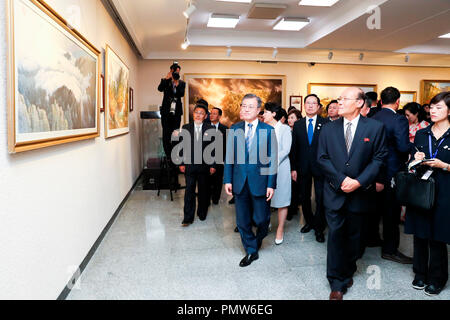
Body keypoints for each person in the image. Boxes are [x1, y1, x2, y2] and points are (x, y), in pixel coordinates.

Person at [317, 87, 387, 300]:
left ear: (359, 103)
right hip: (334, 192)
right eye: (339, 99)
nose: (339, 102)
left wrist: (359, 182)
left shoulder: (375, 128)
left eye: (344, 99)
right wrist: (341, 180)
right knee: (336, 235)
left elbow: (379, 158)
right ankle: (336, 282)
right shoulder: (329, 128)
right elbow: (322, 158)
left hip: (360, 193)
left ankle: (347, 270)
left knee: (355, 238)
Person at [224, 94, 277, 267]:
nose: (245, 109)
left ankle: (257, 240)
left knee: (262, 219)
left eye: (250, 106)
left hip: (260, 182)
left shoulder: (268, 131)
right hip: (239, 181)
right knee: (242, 221)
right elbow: (229, 157)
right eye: (243, 106)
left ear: (258, 110)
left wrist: (271, 184)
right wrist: (227, 180)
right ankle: (251, 250)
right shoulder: (235, 129)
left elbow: (272, 159)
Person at [405, 91, 450, 296]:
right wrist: (416, 158)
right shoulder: (423, 133)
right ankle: (420, 273)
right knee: (420, 233)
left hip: (445, 190)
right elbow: (411, 163)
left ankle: (437, 278)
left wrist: (445, 165)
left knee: (438, 236)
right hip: (422, 190)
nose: (433, 111)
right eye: (431, 107)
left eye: (438, 107)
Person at [372, 87, 413, 264]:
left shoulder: (372, 118)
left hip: (373, 171)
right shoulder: (399, 120)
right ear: (398, 102)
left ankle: (372, 239)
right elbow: (403, 147)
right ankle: (389, 250)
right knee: (391, 213)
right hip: (390, 172)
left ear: (381, 101)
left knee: (374, 209)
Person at [290, 94, 329, 243]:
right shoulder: (298, 124)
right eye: (308, 103)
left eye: (314, 103)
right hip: (302, 167)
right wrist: (293, 168)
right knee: (304, 197)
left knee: (320, 198)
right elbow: (294, 148)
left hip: (321, 168)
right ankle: (309, 222)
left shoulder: (326, 124)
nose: (310, 105)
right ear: (304, 106)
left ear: (318, 107)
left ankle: (319, 228)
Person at [176, 104, 216, 226]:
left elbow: (214, 148)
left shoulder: (211, 128)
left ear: (205, 116)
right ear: (193, 114)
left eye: (201, 113)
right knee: (189, 191)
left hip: (204, 166)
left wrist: (213, 165)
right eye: (196, 112)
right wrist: (181, 162)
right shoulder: (186, 127)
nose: (198, 115)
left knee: (204, 191)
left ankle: (202, 213)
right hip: (189, 165)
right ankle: (188, 217)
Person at [263, 103, 292, 245]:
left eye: (266, 112)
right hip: (264, 169)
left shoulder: (285, 129)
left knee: (282, 200)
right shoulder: (263, 129)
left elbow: (286, 150)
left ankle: (280, 229)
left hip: (281, 168)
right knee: (265, 198)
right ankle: (266, 223)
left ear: (274, 114)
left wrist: (271, 160)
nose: (263, 115)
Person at [158, 63, 186, 159]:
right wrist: (167, 78)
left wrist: (177, 84)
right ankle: (168, 156)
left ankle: (175, 155)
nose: (176, 73)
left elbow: (181, 94)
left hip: (176, 113)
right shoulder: (165, 81)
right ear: (171, 71)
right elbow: (159, 89)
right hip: (166, 112)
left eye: (178, 72)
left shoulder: (182, 83)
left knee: (175, 134)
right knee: (166, 134)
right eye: (175, 71)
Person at [208, 107, 228, 205]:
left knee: (218, 181)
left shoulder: (225, 129)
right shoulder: (205, 127)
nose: (211, 115)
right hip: (206, 159)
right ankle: (207, 198)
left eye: (214, 114)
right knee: (207, 181)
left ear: (219, 116)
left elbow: (227, 145)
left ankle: (215, 199)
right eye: (211, 113)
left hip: (220, 159)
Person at [286, 109, 302, 221]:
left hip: (296, 163)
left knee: (294, 187)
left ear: (298, 119)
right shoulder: (286, 130)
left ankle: (293, 208)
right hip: (285, 163)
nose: (289, 120)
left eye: (292, 118)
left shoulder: (300, 131)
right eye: (289, 118)